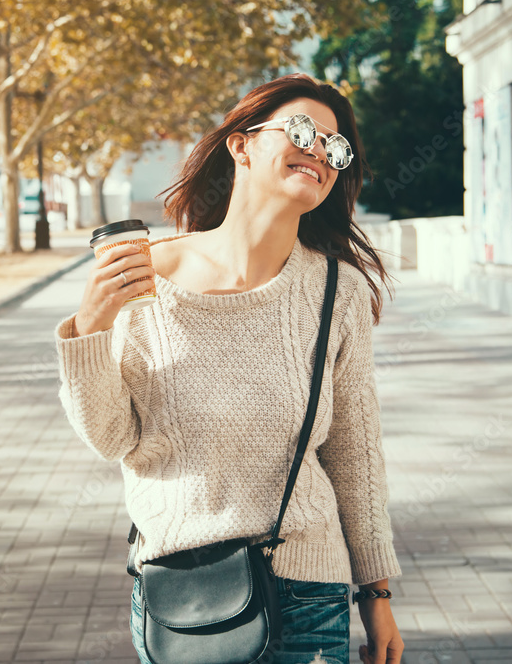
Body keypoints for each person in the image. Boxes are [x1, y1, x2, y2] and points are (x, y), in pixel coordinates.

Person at [53, 74, 404, 664]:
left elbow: (354, 453)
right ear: (241, 146)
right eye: (301, 131)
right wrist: (90, 327)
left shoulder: (335, 291)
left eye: (335, 147)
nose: (320, 150)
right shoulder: (146, 276)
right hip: (182, 592)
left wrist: (377, 593)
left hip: (307, 590)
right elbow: (114, 438)